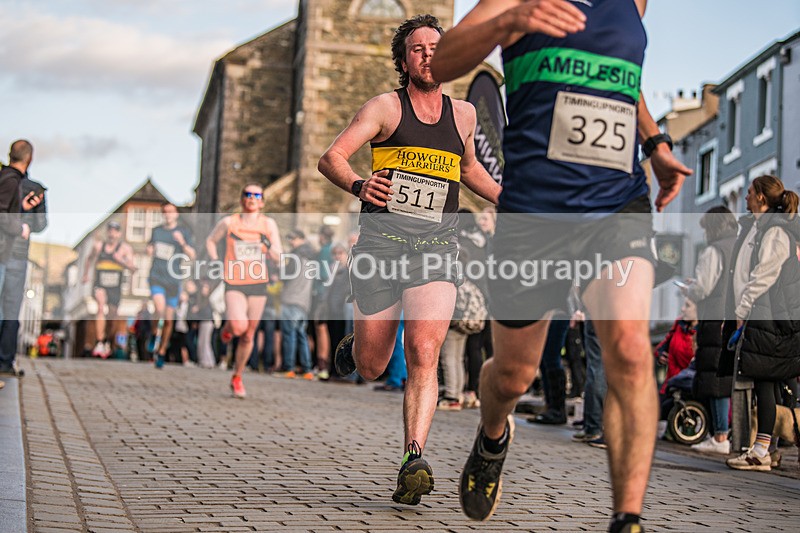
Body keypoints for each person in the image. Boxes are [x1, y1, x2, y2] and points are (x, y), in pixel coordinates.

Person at [431, 1, 693, 529]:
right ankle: (492, 436)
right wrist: (507, 24)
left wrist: (656, 142)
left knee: (628, 348)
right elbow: (440, 65)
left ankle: (628, 518)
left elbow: (619, 76)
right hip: (535, 212)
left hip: (616, 203)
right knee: (511, 374)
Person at [318, 14, 500, 506]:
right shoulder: (385, 107)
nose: (427, 54)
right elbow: (332, 157)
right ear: (404, 60)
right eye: (417, 48)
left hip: (437, 247)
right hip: (381, 248)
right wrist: (359, 183)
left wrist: (506, 198)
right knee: (374, 365)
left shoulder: (462, 115)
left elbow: (468, 169)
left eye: (436, 47)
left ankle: (412, 458)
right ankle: (357, 346)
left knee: (424, 350)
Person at [722, 175, 800, 472]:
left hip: (770, 316)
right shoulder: (759, 226)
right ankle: (766, 449)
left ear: (762, 198)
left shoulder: (775, 231)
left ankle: (761, 451)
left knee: (766, 381)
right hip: (764, 314)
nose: (745, 197)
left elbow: (763, 274)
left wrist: (743, 309)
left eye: (750, 193)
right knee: (766, 382)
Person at [206, 183, 283, 398]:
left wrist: (268, 246)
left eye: (256, 195)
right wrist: (214, 260)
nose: (252, 198)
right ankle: (228, 330)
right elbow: (211, 241)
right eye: (248, 194)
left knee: (249, 334)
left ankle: (237, 376)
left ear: (262, 201)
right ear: (242, 199)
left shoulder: (268, 224)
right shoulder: (229, 222)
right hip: (235, 280)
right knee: (239, 326)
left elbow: (279, 255)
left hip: (258, 282)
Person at [683, 207, 738, 455]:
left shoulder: (713, 251)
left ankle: (719, 436)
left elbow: (703, 288)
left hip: (714, 317)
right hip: (735, 316)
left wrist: (690, 289)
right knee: (728, 377)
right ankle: (727, 433)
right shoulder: (738, 246)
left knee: (714, 375)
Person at [0, 139, 45, 377]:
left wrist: (23, 210)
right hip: (12, 251)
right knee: (10, 308)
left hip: (8, 251)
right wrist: (23, 226)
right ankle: (5, 361)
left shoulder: (8, 180)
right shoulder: (28, 186)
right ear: (30, 158)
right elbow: (41, 224)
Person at [147, 202, 196, 368]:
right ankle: (154, 333)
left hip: (174, 280)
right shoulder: (157, 231)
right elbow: (150, 247)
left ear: (176, 214)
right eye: (165, 212)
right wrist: (149, 250)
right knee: (158, 309)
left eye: (171, 212)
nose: (168, 215)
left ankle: (161, 351)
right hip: (157, 276)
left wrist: (182, 243)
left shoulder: (183, 232)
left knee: (169, 320)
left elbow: (192, 255)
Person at [81, 221, 136, 358]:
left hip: (115, 286)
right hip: (100, 283)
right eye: (110, 230)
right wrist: (86, 275)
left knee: (112, 315)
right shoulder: (99, 246)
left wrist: (121, 261)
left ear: (119, 233)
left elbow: (133, 268)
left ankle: (107, 341)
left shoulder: (125, 249)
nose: (112, 233)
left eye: (115, 231)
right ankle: (100, 342)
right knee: (100, 307)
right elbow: (89, 259)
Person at [278, 229, 315, 380]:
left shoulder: (295, 256)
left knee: (289, 335)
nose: (291, 242)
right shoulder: (312, 258)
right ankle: (307, 369)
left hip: (291, 298)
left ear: (301, 239)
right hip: (305, 301)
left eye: (293, 239)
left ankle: (289, 368)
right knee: (301, 335)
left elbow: (285, 276)